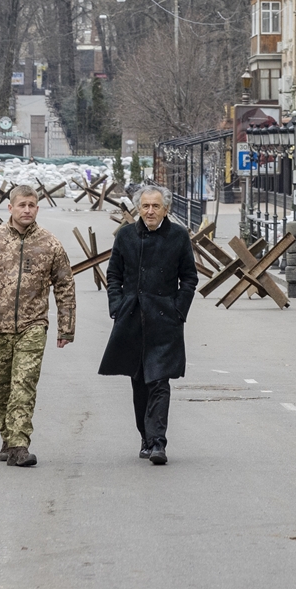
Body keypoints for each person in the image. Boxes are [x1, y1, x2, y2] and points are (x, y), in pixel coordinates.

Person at [0, 184, 75, 468]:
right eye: (22, 205)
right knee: (2, 386)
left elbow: (66, 286)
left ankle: (19, 445)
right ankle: (7, 437)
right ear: (10, 208)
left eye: (32, 205)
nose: (27, 210)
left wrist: (65, 328)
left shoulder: (50, 244)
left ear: (37, 208)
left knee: (24, 383)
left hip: (33, 325)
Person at [98, 184, 197, 465]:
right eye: (145, 206)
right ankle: (145, 435)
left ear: (166, 209)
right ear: (138, 209)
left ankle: (158, 442)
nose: (150, 211)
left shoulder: (178, 236)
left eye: (156, 206)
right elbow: (114, 274)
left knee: (159, 380)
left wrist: (178, 309)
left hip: (165, 319)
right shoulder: (126, 235)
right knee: (139, 381)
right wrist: (117, 306)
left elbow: (189, 277)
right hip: (131, 317)